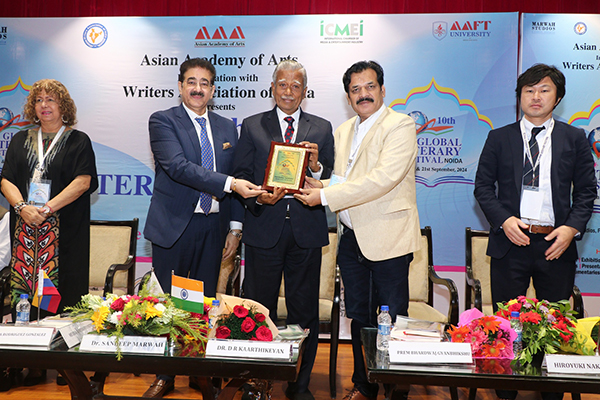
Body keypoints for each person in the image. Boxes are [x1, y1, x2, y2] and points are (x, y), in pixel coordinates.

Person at [295, 60, 420, 400]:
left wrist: (324, 197)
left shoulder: (400, 125)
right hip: (351, 239)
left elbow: (382, 179)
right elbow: (343, 180)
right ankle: (364, 385)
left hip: (388, 238)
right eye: (355, 89)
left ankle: (396, 391)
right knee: (359, 317)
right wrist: (318, 183)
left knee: (393, 319)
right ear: (348, 96)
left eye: (369, 87)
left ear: (382, 89)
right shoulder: (344, 130)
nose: (363, 94)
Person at [142, 58, 264, 398]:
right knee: (169, 305)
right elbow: (178, 167)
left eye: (205, 83)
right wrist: (230, 183)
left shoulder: (226, 127)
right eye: (191, 82)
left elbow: (238, 175)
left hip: (214, 227)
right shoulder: (163, 120)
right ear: (181, 85)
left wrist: (235, 228)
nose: (198, 88)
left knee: (202, 303)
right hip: (174, 227)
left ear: (213, 89)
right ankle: (165, 374)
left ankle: (198, 371)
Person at [474, 64, 596, 400]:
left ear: (557, 97)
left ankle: (551, 393)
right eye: (529, 90)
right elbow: (483, 187)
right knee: (506, 327)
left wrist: (571, 229)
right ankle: (506, 393)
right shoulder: (499, 137)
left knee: (554, 326)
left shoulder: (574, 138)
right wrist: (504, 221)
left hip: (555, 244)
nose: (536, 97)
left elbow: (587, 191)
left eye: (544, 90)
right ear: (520, 97)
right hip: (510, 241)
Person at [232, 59, 334, 400]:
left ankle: (299, 385)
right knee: (257, 310)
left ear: (305, 92)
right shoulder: (252, 126)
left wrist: (316, 166)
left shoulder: (322, 128)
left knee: (304, 313)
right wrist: (259, 198)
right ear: (272, 88)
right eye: (282, 84)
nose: (288, 91)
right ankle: (256, 382)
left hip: (307, 232)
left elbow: (331, 177)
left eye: (296, 85)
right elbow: (241, 175)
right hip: (264, 228)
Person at [1, 79, 98, 387]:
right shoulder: (20, 139)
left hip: (64, 234)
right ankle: (29, 361)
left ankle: (66, 365)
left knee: (61, 293)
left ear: (63, 106)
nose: (44, 105)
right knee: (25, 292)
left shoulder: (78, 141)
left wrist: (46, 209)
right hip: (26, 233)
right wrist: (22, 208)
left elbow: (83, 182)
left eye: (51, 100)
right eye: (39, 100)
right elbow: (6, 179)